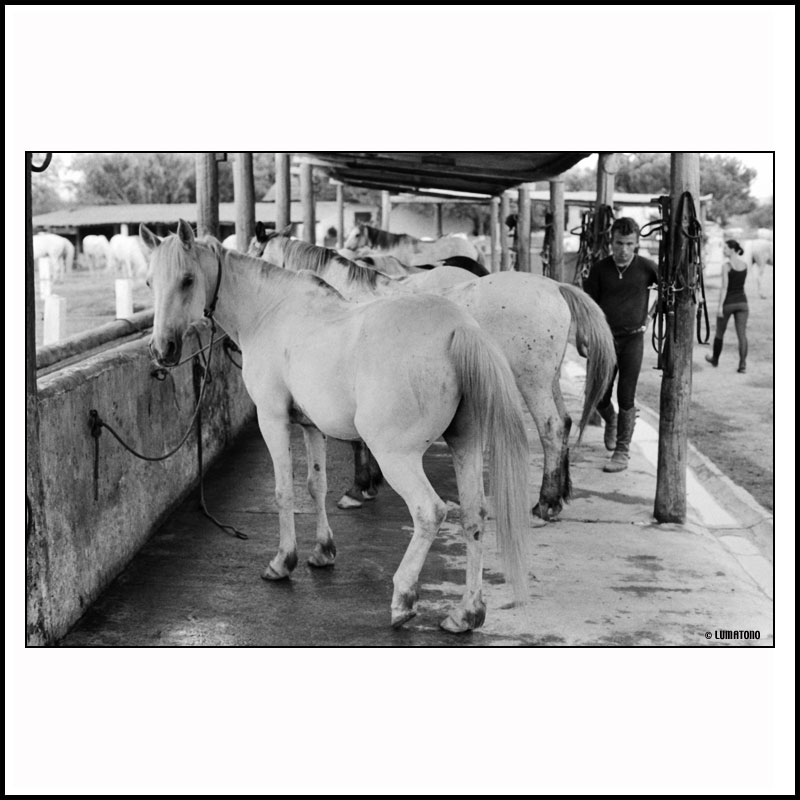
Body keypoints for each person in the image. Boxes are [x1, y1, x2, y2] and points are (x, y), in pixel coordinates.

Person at [583, 217, 658, 473]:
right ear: (611, 242)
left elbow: (669, 291)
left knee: (626, 395)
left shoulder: (647, 268)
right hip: (604, 340)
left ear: (636, 243)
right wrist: (584, 336)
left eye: (628, 244)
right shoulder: (599, 270)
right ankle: (611, 420)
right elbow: (588, 307)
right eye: (618, 243)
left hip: (633, 339)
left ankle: (622, 451)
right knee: (598, 394)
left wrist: (650, 317)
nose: (623, 249)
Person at [706, 239, 749, 373]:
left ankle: (715, 359)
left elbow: (724, 288)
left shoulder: (726, 266)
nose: (724, 250)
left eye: (725, 248)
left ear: (732, 250)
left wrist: (720, 307)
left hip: (729, 303)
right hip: (743, 303)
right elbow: (740, 285)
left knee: (720, 332)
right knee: (742, 335)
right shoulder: (745, 265)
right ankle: (742, 365)